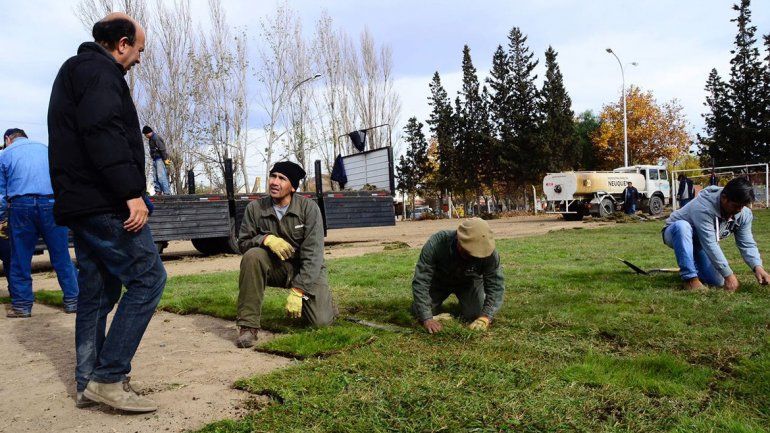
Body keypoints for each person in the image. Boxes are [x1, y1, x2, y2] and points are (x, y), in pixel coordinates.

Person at [48, 12, 164, 412]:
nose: (139, 59)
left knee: (97, 293)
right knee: (149, 279)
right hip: (105, 201)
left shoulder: (76, 70)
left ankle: (87, 382)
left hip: (82, 202)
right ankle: (109, 377)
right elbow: (103, 133)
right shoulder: (99, 73)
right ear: (121, 44)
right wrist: (131, 192)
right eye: (139, 50)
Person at [235, 161, 335, 348]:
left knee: (320, 322)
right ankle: (248, 327)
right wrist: (265, 239)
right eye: (273, 176)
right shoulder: (255, 208)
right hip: (276, 267)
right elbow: (242, 244)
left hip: (306, 268)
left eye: (282, 178)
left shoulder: (309, 209)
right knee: (252, 256)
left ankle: (326, 304)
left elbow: (313, 255)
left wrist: (298, 290)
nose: (274, 182)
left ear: (293, 187)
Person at [0, 129, 79, 317]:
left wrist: (2, 216)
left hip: (21, 206)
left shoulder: (5, 154)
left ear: (7, 139)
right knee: (61, 256)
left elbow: (2, 194)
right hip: (51, 204)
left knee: (20, 258)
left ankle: (22, 306)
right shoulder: (46, 150)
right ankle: (73, 301)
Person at [663, 177, 770, 292]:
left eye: (742, 206)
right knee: (682, 226)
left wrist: (757, 267)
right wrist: (729, 274)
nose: (739, 210)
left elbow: (747, 243)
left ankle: (694, 267)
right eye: (736, 205)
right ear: (724, 198)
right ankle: (690, 279)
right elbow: (710, 244)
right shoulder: (703, 207)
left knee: (718, 282)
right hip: (674, 233)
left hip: (700, 243)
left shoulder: (744, 214)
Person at [411, 218, 505, 334]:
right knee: (418, 311)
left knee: (475, 314)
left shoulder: (490, 253)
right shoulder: (436, 243)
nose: (471, 257)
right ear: (458, 240)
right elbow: (421, 281)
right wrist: (427, 318)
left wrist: (485, 317)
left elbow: (495, 287)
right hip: (439, 282)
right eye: (468, 253)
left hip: (469, 283)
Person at [142, 126, 171, 195]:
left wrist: (165, 159)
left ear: (148, 133)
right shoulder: (151, 139)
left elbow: (162, 149)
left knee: (161, 176)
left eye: (145, 134)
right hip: (155, 159)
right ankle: (158, 191)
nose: (145, 136)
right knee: (155, 177)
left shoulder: (156, 138)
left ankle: (167, 193)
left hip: (160, 159)